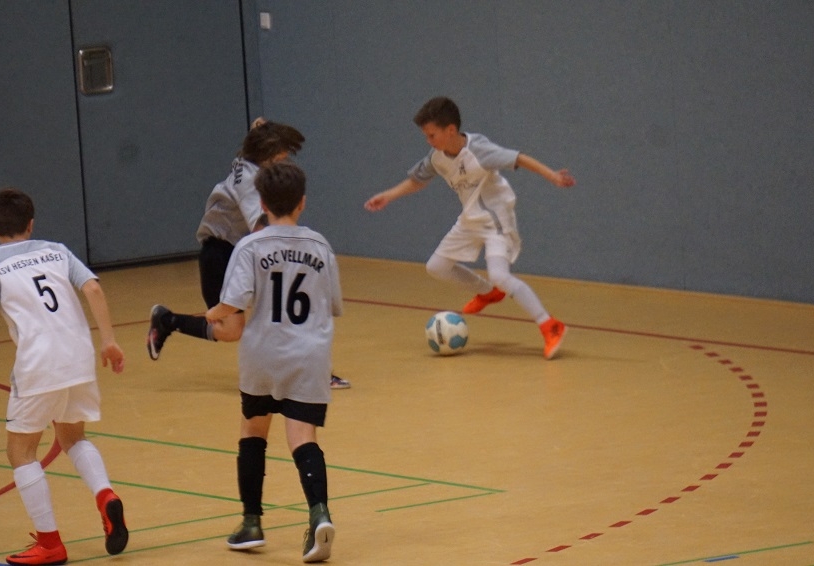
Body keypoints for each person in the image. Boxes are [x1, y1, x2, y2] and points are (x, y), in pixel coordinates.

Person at [0, 187, 128, 565]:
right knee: (73, 436)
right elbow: (93, 288)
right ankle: (106, 495)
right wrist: (109, 341)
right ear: (31, 224)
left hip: (38, 364)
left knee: (20, 451)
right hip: (78, 357)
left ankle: (50, 544)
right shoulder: (57, 251)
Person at [364, 96, 576, 359]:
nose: (428, 141)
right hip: (470, 219)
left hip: (496, 220)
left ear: (450, 130)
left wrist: (553, 176)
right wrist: (388, 196)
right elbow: (418, 180)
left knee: (500, 275)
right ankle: (488, 292)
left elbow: (519, 158)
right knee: (436, 266)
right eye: (426, 136)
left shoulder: (479, 150)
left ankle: (549, 325)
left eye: (432, 135)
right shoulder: (437, 157)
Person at [145, 118, 350, 389]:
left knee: (284, 306)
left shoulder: (250, 158)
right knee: (232, 329)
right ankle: (167, 320)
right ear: (265, 157)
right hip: (220, 254)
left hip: (239, 248)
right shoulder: (250, 186)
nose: (284, 164)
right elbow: (263, 228)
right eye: (279, 159)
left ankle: (313, 370)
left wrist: (258, 130)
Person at [206, 161, 340, 562]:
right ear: (302, 203)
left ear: (261, 203)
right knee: (303, 437)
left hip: (262, 353)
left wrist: (212, 314)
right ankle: (319, 515)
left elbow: (234, 302)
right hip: (309, 354)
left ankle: (251, 523)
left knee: (253, 430)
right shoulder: (320, 246)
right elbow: (331, 304)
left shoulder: (251, 246)